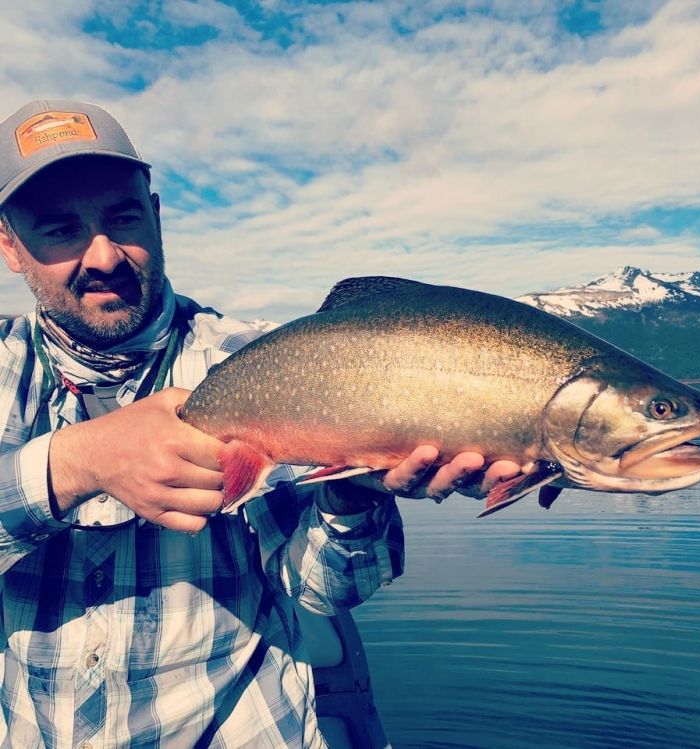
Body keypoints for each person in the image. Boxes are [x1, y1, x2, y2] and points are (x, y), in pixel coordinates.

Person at [0, 99, 521, 748]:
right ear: (10, 246)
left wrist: (352, 486)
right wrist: (74, 463)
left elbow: (326, 588)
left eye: (123, 218)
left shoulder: (263, 370)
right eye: (59, 230)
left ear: (157, 218)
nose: (103, 254)